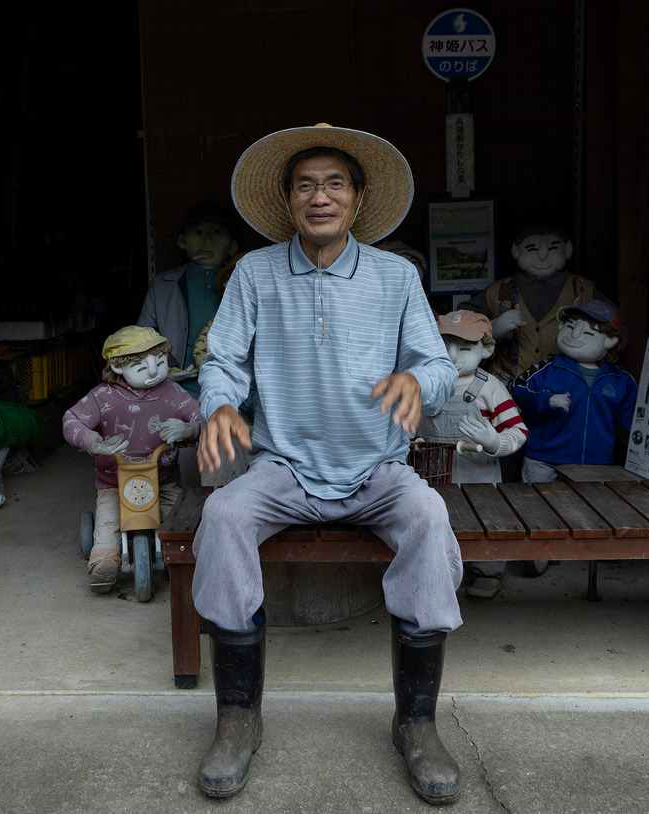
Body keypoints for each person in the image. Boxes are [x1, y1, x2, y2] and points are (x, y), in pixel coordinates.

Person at [193, 123, 463, 804]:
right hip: (282, 467)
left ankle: (418, 724)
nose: (321, 196)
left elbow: (437, 364)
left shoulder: (396, 276)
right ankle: (237, 719)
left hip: (377, 469)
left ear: (358, 197)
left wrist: (419, 384)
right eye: (306, 185)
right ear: (288, 202)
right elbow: (221, 359)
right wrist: (220, 404)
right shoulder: (254, 273)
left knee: (429, 517)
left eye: (334, 183)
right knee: (223, 515)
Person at [62, 326, 201, 592]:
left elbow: (200, 415)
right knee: (109, 525)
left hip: (164, 481)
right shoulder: (102, 397)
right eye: (141, 367)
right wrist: (95, 442)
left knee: (179, 524)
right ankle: (104, 561)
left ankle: (181, 562)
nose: (154, 372)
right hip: (115, 482)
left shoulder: (172, 392)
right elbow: (71, 419)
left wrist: (188, 430)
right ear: (117, 366)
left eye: (160, 363)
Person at [420, 311, 528, 599]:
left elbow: (518, 431)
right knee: (433, 521)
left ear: (487, 348)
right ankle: (438, 572)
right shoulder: (425, 383)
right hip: (431, 472)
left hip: (477, 473)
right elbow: (406, 419)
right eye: (444, 347)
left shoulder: (491, 388)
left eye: (465, 348)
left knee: (483, 519)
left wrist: (495, 441)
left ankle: (488, 572)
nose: (453, 357)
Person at [459, 225, 612, 387]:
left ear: (567, 250)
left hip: (568, 389)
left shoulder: (583, 290)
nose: (542, 255)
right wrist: (492, 328)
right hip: (507, 392)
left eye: (553, 248)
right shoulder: (496, 291)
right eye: (532, 249)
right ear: (516, 251)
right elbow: (459, 326)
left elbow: (616, 329)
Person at [512, 300, 637, 483]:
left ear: (610, 340)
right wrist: (546, 400)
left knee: (588, 510)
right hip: (543, 460)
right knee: (536, 507)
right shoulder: (547, 369)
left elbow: (636, 420)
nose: (574, 335)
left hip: (596, 464)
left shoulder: (620, 380)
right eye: (569, 326)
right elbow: (518, 388)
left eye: (588, 332)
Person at [137, 203, 239, 400]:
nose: (207, 239)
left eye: (217, 232)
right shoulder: (163, 284)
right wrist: (164, 367)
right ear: (182, 241)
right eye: (198, 231)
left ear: (232, 246)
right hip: (179, 386)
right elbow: (144, 334)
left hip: (234, 384)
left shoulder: (243, 280)